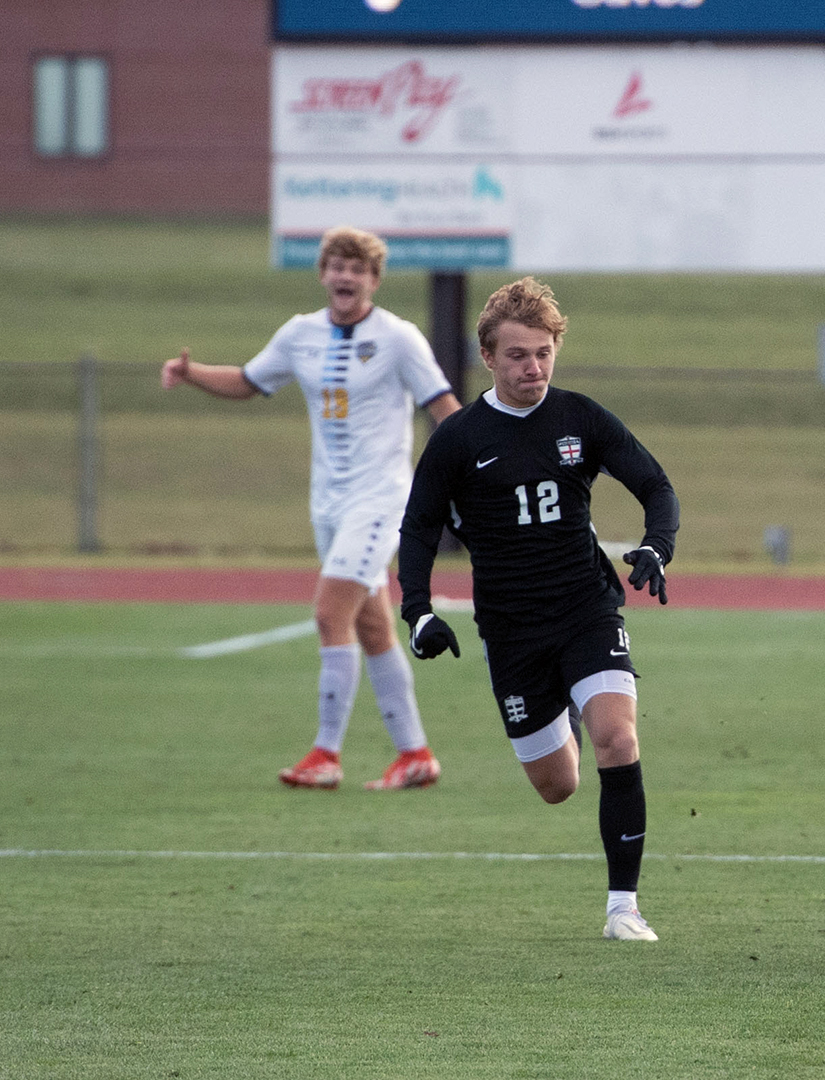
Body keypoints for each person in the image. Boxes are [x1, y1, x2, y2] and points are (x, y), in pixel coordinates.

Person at [397, 277, 679, 941]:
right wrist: (418, 613)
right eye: (519, 355)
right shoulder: (460, 439)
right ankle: (566, 710)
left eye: (545, 352)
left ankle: (623, 908)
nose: (534, 367)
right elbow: (416, 529)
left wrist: (657, 547)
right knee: (557, 785)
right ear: (489, 358)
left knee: (618, 737)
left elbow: (655, 484)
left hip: (587, 609)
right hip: (511, 631)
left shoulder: (581, 418)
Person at [161, 225, 459, 790]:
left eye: (358, 268)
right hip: (327, 503)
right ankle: (415, 754)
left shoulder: (398, 338)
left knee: (329, 614)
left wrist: (478, 466)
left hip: (381, 500)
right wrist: (192, 373)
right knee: (372, 627)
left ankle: (325, 754)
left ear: (373, 280)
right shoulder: (300, 334)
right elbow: (250, 381)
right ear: (324, 274)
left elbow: (444, 407)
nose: (346, 276)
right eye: (337, 266)